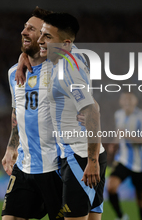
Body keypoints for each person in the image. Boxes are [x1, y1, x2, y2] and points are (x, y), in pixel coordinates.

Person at [37, 12, 107, 220]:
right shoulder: (71, 53)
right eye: (41, 34)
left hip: (79, 157)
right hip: (88, 154)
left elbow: (92, 110)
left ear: (65, 43)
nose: (40, 40)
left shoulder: (67, 69)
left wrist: (91, 161)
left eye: (47, 37)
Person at [1, 7, 64, 220]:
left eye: (31, 29)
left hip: (55, 168)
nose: (23, 31)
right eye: (24, 27)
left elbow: (72, 49)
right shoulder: (13, 73)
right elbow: (16, 112)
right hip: (24, 166)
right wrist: (11, 146)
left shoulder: (60, 68)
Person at [107, 91, 142, 220]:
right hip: (123, 159)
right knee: (111, 187)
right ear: (120, 101)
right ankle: (121, 216)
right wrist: (114, 143)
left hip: (140, 163)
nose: (127, 101)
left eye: (130, 98)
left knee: (141, 198)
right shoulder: (118, 115)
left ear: (135, 101)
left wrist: (130, 137)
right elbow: (119, 133)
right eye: (124, 98)